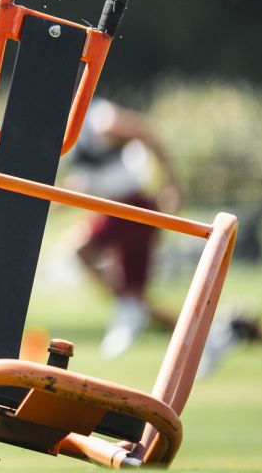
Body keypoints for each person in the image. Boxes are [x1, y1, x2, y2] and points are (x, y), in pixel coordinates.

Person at [60, 98, 181, 359]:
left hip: (132, 207)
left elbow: (146, 132)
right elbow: (93, 176)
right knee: (135, 298)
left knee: (80, 249)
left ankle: (129, 311)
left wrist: (171, 184)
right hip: (117, 209)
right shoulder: (73, 131)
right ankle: (198, 336)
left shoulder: (99, 120)